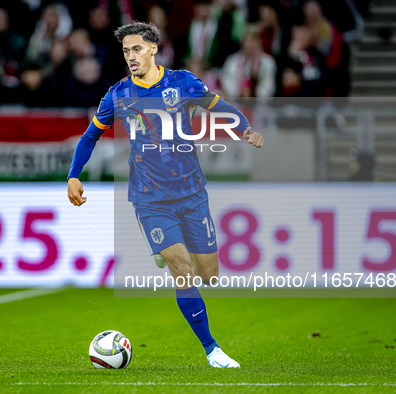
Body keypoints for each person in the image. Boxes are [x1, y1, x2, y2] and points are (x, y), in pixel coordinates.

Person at [67, 22, 264, 368]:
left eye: (137, 49)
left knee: (209, 275)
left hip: (191, 192)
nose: (131, 56)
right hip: (149, 197)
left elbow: (218, 106)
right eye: (126, 51)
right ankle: (212, 350)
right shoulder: (118, 94)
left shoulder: (183, 82)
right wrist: (73, 175)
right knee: (182, 269)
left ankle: (163, 248)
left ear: (154, 48)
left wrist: (243, 126)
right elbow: (89, 136)